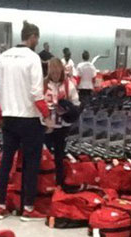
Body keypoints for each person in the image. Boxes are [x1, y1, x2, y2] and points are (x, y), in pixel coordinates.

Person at [0, 21, 50, 222]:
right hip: (29, 119)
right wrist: (48, 116)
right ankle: (27, 207)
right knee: (30, 163)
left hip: (8, 117)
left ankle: (1, 205)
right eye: (37, 38)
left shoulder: (3, 57)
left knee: (6, 162)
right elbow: (37, 93)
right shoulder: (33, 58)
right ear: (33, 37)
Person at [43, 58, 80, 188]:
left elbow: (76, 103)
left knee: (59, 155)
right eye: (53, 73)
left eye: (57, 73)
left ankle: (59, 183)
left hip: (62, 125)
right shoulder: (43, 84)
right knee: (45, 155)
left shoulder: (68, 84)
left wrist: (66, 107)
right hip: (46, 125)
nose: (55, 76)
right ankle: (44, 181)